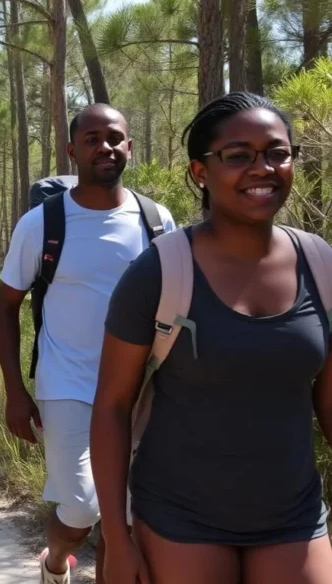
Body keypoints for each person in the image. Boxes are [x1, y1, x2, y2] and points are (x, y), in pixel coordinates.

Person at [92, 92, 332, 584]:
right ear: (200, 172)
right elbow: (112, 406)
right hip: (180, 520)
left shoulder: (322, 265)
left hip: (295, 516)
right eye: (238, 156)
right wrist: (117, 537)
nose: (262, 168)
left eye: (277, 153)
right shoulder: (160, 272)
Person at [0, 104, 176, 584]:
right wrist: (15, 390)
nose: (105, 147)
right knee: (82, 506)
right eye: (92, 138)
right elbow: (6, 305)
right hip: (66, 384)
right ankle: (55, 564)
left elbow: (178, 306)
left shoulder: (157, 221)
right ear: (72, 149)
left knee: (131, 517)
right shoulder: (42, 224)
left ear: (130, 148)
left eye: (115, 137)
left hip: (141, 388)